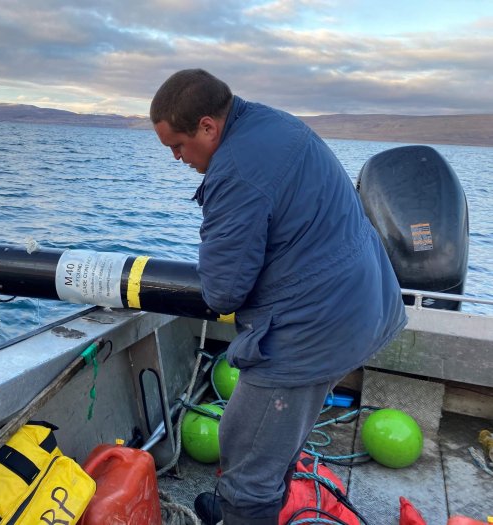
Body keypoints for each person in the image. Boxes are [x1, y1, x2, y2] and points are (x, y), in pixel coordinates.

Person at [150, 69, 407, 525]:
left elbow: (224, 290)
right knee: (271, 434)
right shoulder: (275, 124)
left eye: (177, 145)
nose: (175, 157)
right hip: (363, 304)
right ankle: (256, 500)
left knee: (247, 449)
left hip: (314, 326)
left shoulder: (236, 173)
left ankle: (246, 510)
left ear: (208, 127)